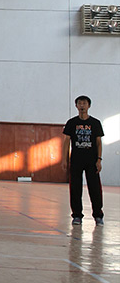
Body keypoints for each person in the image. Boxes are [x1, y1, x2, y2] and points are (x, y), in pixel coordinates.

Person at [63, 95, 105, 226]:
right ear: (76, 106)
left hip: (92, 161)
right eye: (80, 103)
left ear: (89, 106)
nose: (82, 106)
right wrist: (64, 160)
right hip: (76, 161)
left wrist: (99, 159)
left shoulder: (95, 123)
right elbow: (66, 142)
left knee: (95, 189)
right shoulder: (71, 123)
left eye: (84, 103)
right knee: (75, 188)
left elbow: (99, 143)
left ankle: (98, 215)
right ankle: (77, 215)